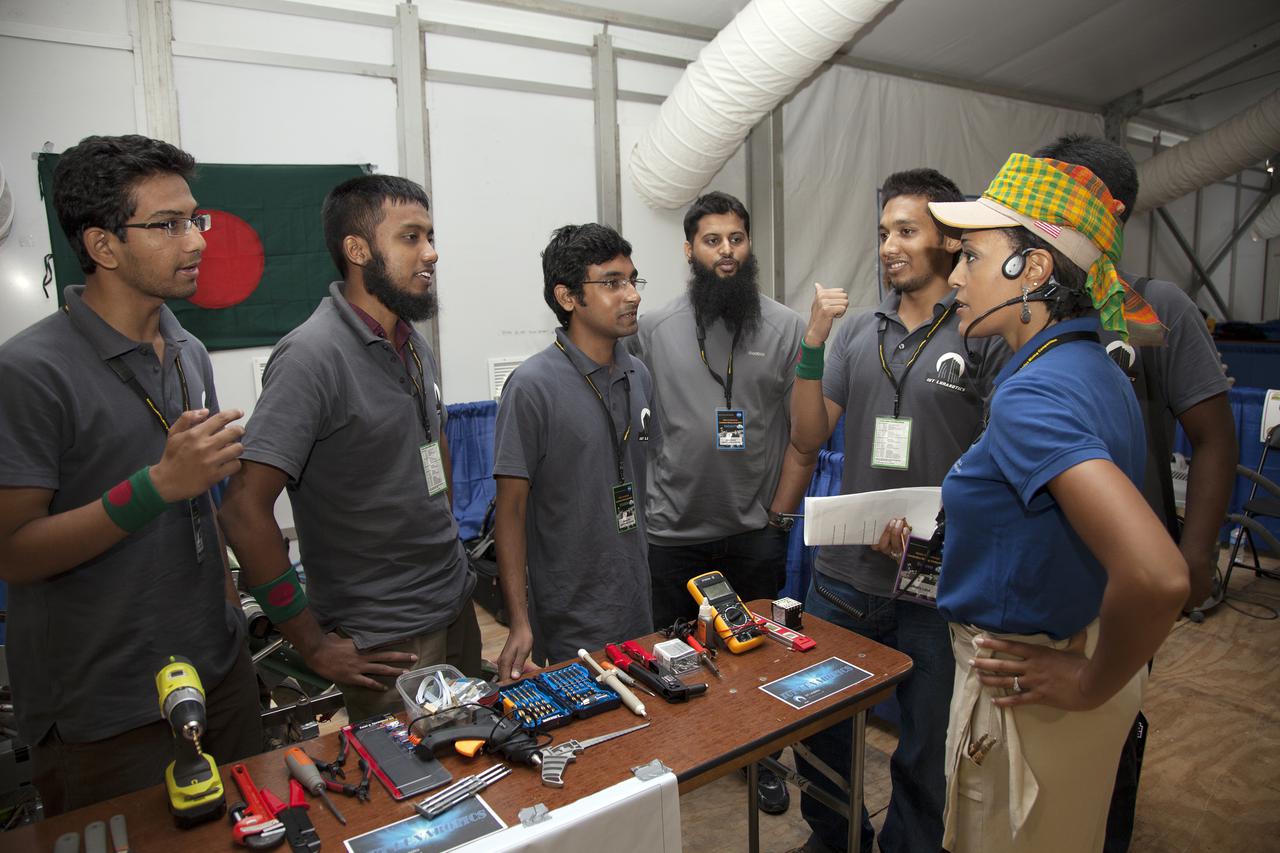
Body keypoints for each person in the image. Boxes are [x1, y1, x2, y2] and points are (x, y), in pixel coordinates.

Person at [925, 152, 1188, 852]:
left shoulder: (1033, 393)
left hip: (1029, 697)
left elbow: (1159, 574)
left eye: (972, 256)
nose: (953, 277)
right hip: (1068, 666)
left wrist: (1087, 682)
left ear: (1033, 270)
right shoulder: (1092, 366)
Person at [0, 135, 261, 813]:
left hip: (219, 675)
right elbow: (14, 550)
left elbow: (205, 508)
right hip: (110, 711)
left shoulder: (188, 350)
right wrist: (154, 486)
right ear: (104, 246)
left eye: (194, 219)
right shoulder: (30, 372)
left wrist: (231, 623)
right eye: (168, 225)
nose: (197, 241)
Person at [788, 169, 1009, 853]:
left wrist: (939, 530)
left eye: (906, 230)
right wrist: (814, 341)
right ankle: (836, 839)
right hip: (844, 578)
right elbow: (806, 435)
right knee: (821, 729)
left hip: (935, 584)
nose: (888, 245)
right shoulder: (858, 331)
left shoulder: (981, 332)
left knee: (927, 743)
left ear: (948, 239)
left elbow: (1001, 454)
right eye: (883, 232)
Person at [1032, 134, 1238, 853]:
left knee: (1111, 730)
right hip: (1039, 578)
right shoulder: (1028, 300)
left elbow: (1213, 437)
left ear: (1108, 209)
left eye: (1062, 190)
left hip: (1128, 575)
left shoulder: (1157, 308)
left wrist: (1198, 550)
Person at [219, 174, 479, 724]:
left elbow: (435, 446)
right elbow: (243, 510)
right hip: (387, 638)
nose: (431, 253)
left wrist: (448, 539)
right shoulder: (311, 357)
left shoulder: (411, 342)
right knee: (423, 795)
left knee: (478, 759)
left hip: (453, 602)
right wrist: (310, 643)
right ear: (358, 250)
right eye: (410, 237)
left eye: (430, 235)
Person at [627, 190, 812, 814]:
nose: (726, 253)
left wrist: (779, 519)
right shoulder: (650, 330)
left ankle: (762, 758)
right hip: (671, 530)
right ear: (689, 249)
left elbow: (801, 432)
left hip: (753, 528)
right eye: (712, 240)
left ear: (749, 244)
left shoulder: (787, 327)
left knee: (757, 660)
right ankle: (681, 757)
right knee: (673, 656)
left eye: (736, 239)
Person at [492, 224, 656, 677]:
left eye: (632, 280)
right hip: (571, 616)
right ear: (567, 297)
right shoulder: (531, 387)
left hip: (637, 602)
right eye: (611, 283)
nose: (632, 295)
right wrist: (519, 620)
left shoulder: (639, 374)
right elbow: (510, 512)